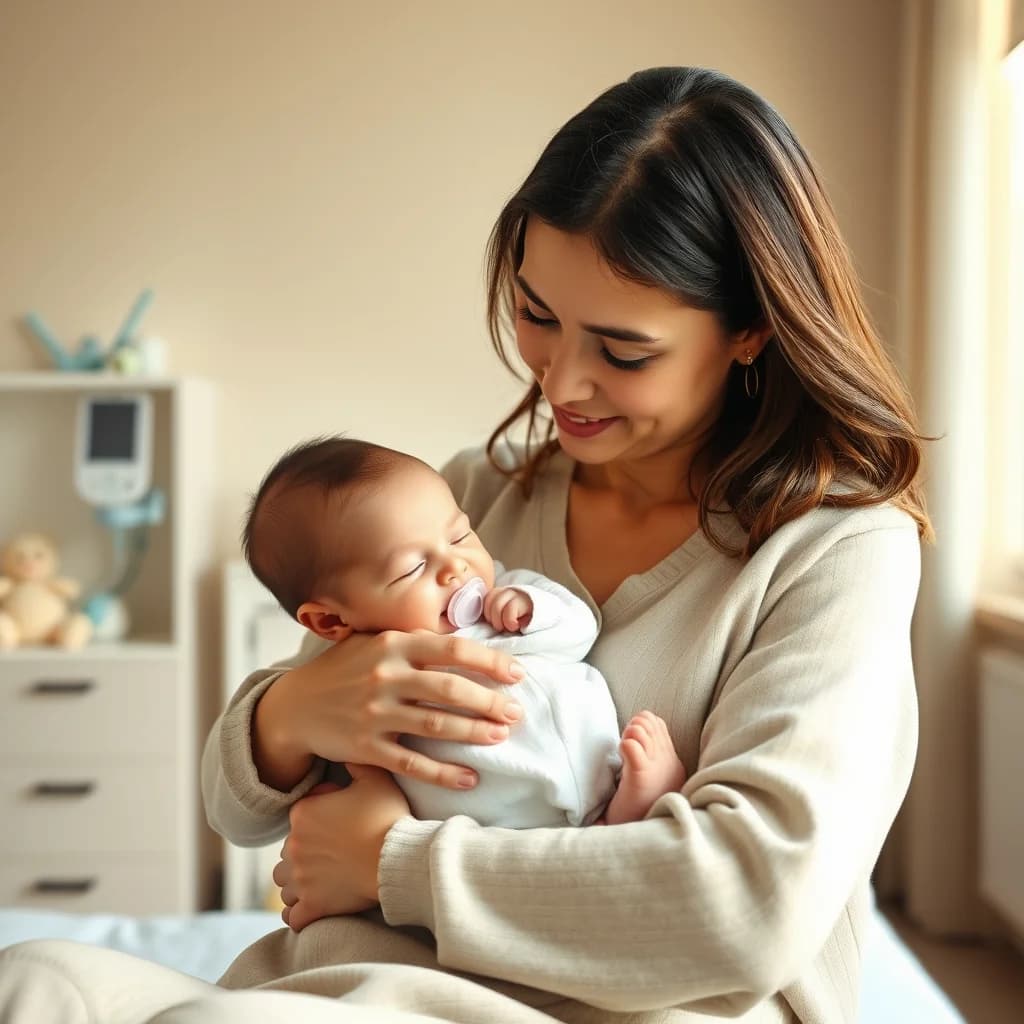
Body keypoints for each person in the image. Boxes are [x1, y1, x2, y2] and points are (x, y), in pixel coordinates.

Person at [0, 65, 929, 1024]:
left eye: (622, 351)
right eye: (537, 316)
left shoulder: (836, 550)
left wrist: (390, 864)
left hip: (590, 1007)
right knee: (32, 980)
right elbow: (242, 811)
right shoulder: (472, 500)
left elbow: (748, 908)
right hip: (346, 983)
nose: (561, 383)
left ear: (750, 332)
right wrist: (287, 712)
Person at [241, 434, 686, 829]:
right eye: (412, 568)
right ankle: (610, 823)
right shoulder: (359, 674)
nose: (455, 567)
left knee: (611, 798)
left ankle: (627, 805)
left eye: (459, 536)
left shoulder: (506, 592)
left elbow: (580, 631)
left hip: (591, 752)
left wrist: (532, 609)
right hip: (492, 824)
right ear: (332, 621)